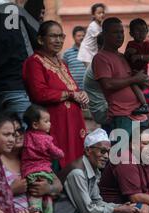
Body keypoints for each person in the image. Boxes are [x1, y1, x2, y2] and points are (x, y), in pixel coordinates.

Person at [22, 20, 89, 169]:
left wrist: (82, 94)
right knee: (59, 163)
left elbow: (73, 88)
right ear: (40, 39)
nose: (58, 40)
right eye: (53, 36)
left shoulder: (62, 63)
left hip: (73, 125)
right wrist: (71, 95)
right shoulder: (34, 62)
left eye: (61, 36)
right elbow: (39, 93)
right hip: (55, 125)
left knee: (76, 166)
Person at [92, 17, 148, 136]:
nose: (120, 36)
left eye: (121, 32)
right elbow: (107, 84)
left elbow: (133, 82)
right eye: (115, 32)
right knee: (122, 154)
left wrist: (142, 80)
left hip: (138, 113)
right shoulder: (100, 58)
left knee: (143, 153)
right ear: (105, 34)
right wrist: (134, 79)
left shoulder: (122, 56)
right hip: (121, 115)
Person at [21, 105, 64, 213]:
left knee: (34, 194)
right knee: (47, 199)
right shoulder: (46, 139)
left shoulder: (26, 136)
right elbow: (57, 153)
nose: (50, 124)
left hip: (29, 173)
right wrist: (60, 154)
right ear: (35, 124)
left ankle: (35, 211)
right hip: (44, 172)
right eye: (46, 121)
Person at [125, 18, 149, 115]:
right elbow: (126, 58)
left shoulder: (147, 45)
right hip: (132, 72)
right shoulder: (130, 44)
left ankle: (145, 104)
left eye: (143, 31)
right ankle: (142, 104)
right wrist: (128, 53)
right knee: (133, 85)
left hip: (142, 72)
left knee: (134, 84)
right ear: (131, 33)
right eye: (138, 31)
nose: (141, 33)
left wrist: (139, 56)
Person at [78, 3, 105, 67]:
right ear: (93, 15)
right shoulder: (93, 26)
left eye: (103, 12)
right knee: (91, 72)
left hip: (92, 52)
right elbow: (101, 37)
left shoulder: (100, 26)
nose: (102, 15)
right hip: (87, 52)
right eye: (99, 13)